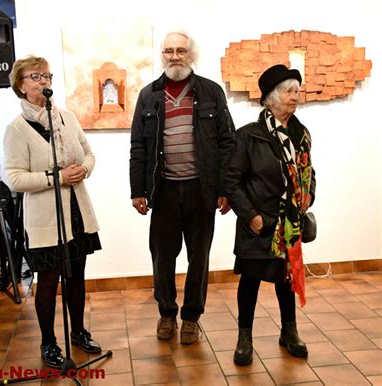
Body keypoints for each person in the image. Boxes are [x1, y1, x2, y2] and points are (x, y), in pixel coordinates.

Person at [129, 31, 235, 345]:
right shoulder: (148, 95)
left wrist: (225, 187)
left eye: (181, 51)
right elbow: (138, 146)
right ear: (161, 55)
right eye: (169, 51)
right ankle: (166, 313)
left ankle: (191, 318)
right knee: (162, 258)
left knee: (198, 259)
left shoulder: (212, 92)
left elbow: (227, 142)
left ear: (191, 54)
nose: (175, 56)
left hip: (201, 191)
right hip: (162, 191)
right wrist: (138, 190)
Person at [3, 56, 102, 369]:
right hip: (45, 218)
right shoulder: (17, 129)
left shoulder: (66, 118)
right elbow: (15, 177)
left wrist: (83, 170)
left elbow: (88, 153)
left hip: (76, 211)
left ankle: (78, 331)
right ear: (21, 85)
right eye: (35, 77)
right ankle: (48, 341)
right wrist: (57, 178)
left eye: (47, 75)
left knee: (76, 275)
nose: (43, 81)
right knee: (48, 280)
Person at [224, 64, 316, 366]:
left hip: (288, 223)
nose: (295, 97)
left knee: (285, 280)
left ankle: (289, 332)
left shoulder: (301, 134)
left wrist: (309, 194)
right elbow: (232, 181)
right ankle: (244, 337)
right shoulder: (248, 137)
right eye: (289, 91)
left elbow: (309, 172)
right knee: (250, 281)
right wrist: (251, 216)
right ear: (271, 98)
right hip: (259, 223)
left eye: (297, 91)